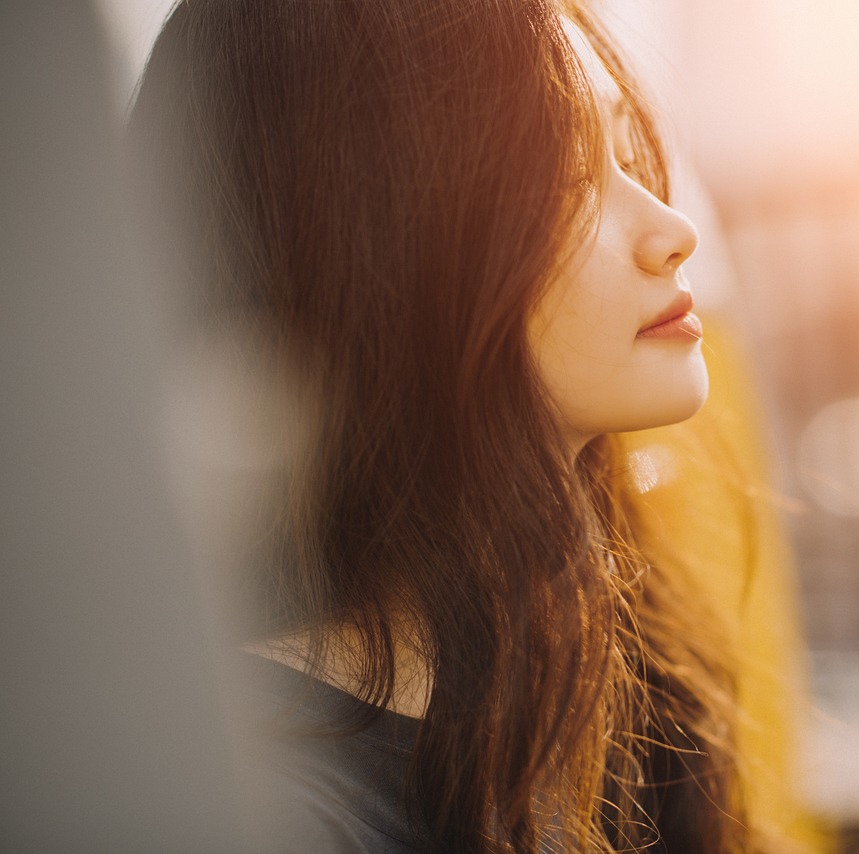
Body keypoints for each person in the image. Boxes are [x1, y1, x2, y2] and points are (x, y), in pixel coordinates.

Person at [129, 0, 767, 850]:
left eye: (627, 152)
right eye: (566, 178)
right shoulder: (274, 816)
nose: (671, 230)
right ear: (379, 235)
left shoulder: (607, 683)